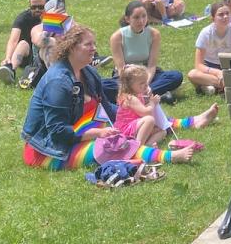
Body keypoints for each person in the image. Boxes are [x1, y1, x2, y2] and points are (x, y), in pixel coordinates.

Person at [21, 25, 195, 169]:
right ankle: (169, 156)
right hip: (47, 148)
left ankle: (187, 122)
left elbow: (107, 109)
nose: (94, 49)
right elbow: (57, 132)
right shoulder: (58, 82)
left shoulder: (88, 72)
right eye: (88, 45)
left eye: (94, 44)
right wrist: (99, 133)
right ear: (72, 48)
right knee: (113, 145)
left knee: (132, 125)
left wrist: (135, 114)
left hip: (80, 127)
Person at [103, 1, 184, 103]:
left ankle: (136, 95)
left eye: (144, 16)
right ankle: (150, 95)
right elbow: (121, 69)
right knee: (103, 85)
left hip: (147, 75)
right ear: (127, 19)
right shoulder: (117, 37)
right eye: (136, 17)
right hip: (126, 77)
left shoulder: (154, 34)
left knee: (176, 76)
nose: (141, 21)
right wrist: (133, 84)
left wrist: (145, 84)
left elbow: (152, 65)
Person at [115, 64, 218, 144]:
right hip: (127, 130)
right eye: (142, 83)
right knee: (150, 119)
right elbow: (145, 113)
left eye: (146, 82)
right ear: (129, 85)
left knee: (162, 131)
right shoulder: (130, 98)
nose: (145, 85)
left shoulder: (138, 94)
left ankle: (147, 146)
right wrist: (152, 103)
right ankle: (138, 146)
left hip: (138, 127)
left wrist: (147, 97)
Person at [187, 0, 231, 94]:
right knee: (192, 74)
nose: (225, 17)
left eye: (227, 13)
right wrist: (217, 73)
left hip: (228, 65)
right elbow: (198, 65)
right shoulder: (206, 33)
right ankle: (225, 84)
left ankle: (209, 86)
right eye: (221, 14)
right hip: (209, 67)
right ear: (212, 18)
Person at [0, 0, 46, 84]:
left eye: (41, 7)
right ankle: (10, 70)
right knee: (23, 44)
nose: (37, 10)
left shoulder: (53, 17)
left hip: (46, 52)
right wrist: (8, 57)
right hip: (29, 57)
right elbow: (13, 40)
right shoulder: (23, 18)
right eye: (33, 7)